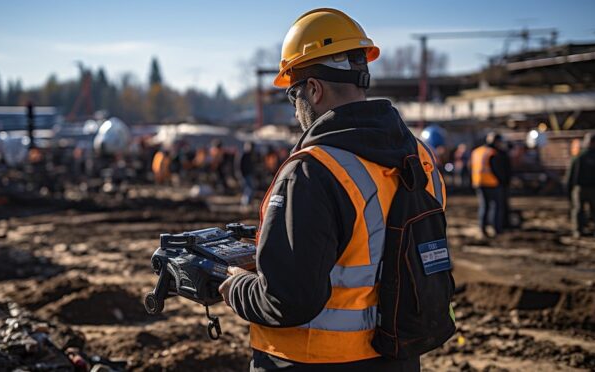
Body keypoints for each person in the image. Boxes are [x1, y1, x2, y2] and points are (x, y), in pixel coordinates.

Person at [218, 8, 446, 371]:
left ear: (313, 89)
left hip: (314, 359)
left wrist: (235, 287)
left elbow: (287, 300)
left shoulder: (312, 171)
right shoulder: (420, 157)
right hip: (398, 356)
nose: (295, 111)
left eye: (293, 95)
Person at [470, 132, 510, 237]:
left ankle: (482, 229)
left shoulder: (476, 152)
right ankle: (496, 229)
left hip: (478, 183)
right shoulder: (492, 153)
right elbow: (498, 170)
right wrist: (503, 181)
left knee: (484, 206)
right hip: (492, 183)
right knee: (496, 207)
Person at [566, 132, 595, 238]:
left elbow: (571, 174)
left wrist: (569, 187)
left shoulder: (579, 156)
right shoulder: (581, 156)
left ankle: (578, 230)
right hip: (592, 188)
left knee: (578, 209)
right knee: (594, 210)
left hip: (580, 188)